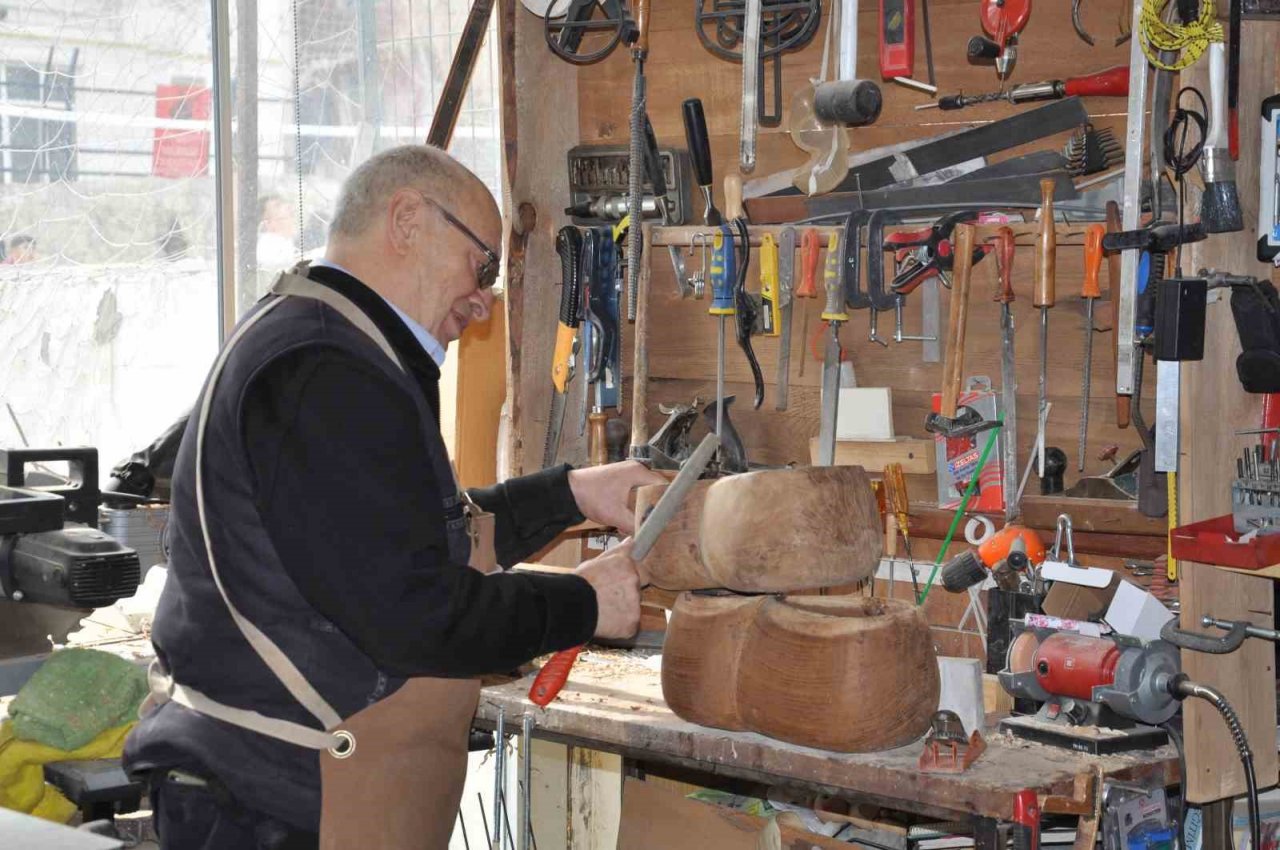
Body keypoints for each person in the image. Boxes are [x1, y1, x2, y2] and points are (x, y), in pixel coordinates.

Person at [124, 144, 662, 849]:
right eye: (483, 268)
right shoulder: (326, 372)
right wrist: (584, 604)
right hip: (278, 807)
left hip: (290, 797)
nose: (483, 299)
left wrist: (574, 495)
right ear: (407, 221)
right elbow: (414, 612)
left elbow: (412, 532)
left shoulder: (333, 345)